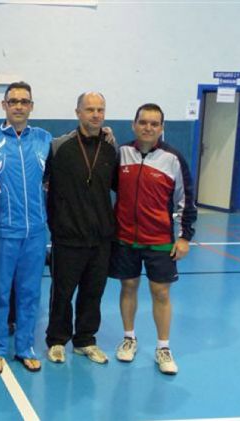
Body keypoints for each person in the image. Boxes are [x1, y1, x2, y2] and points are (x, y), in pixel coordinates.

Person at [0, 82, 51, 374]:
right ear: (3, 105)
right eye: (13, 101)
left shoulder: (44, 140)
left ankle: (26, 347)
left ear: (31, 106)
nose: (18, 106)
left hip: (36, 233)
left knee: (30, 294)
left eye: (24, 101)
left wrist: (105, 134)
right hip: (2, 233)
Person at [110, 103, 196, 375]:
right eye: (143, 122)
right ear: (134, 125)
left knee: (160, 292)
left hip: (159, 238)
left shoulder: (173, 159)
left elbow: (187, 200)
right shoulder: (122, 153)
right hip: (125, 237)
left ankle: (163, 347)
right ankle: (129, 338)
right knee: (129, 287)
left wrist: (184, 238)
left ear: (162, 128)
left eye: (154, 123)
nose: (148, 127)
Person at [44, 92, 118, 365]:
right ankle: (57, 340)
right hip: (67, 236)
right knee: (62, 293)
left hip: (101, 238)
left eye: (100, 109)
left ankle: (85, 340)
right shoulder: (59, 147)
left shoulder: (111, 148)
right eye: (90, 109)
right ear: (78, 112)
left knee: (93, 292)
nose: (96, 114)